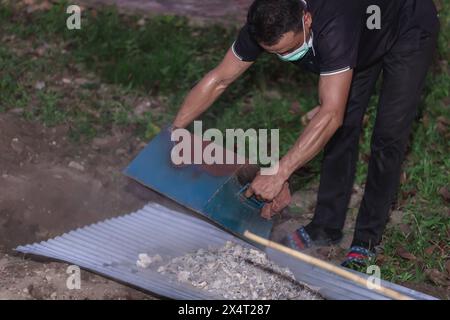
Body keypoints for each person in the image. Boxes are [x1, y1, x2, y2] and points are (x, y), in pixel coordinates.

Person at [172, 0, 440, 268]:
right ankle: (325, 227)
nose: (285, 56)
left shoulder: (334, 23)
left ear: (307, 19)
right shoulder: (264, 21)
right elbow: (220, 78)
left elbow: (330, 114)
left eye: (288, 49)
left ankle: (366, 240)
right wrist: (176, 130)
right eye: (274, 53)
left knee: (387, 136)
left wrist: (280, 172)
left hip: (407, 23)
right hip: (362, 31)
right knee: (343, 128)